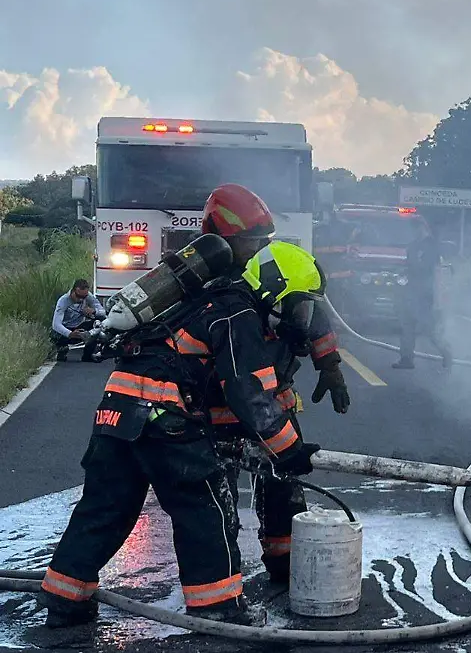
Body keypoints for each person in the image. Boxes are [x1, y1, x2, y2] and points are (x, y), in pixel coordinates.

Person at [39, 243, 322, 628]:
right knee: (205, 508)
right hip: (164, 415)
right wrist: (289, 451)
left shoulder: (203, 300)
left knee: (104, 509)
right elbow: (249, 391)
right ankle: (218, 607)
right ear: (275, 290)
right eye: (298, 305)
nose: (298, 317)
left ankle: (65, 599)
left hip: (117, 406)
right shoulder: (238, 312)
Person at [199, 185, 350, 583]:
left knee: (283, 491)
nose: (255, 248)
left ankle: (284, 567)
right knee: (218, 503)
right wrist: (290, 449)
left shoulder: (273, 269)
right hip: (216, 412)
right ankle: (220, 587)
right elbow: (242, 386)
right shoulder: (213, 291)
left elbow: (310, 313)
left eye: (259, 240)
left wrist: (329, 363)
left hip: (272, 404)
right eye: (247, 241)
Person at [393, 218, 452, 370]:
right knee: (407, 325)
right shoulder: (413, 245)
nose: (414, 231)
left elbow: (427, 268)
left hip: (425, 293)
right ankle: (406, 358)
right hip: (411, 290)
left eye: (417, 227)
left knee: (428, 328)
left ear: (423, 227)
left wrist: (413, 268)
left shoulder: (431, 245)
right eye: (413, 228)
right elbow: (409, 264)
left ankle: (446, 352)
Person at [51, 279, 105, 362]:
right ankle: (61, 348)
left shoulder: (88, 296)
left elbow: (103, 312)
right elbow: (56, 324)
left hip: (80, 327)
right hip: (66, 329)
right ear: (73, 291)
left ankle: (87, 355)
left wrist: (94, 311)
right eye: (78, 296)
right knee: (55, 332)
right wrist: (70, 334)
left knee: (99, 321)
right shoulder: (63, 300)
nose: (80, 300)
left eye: (83, 297)